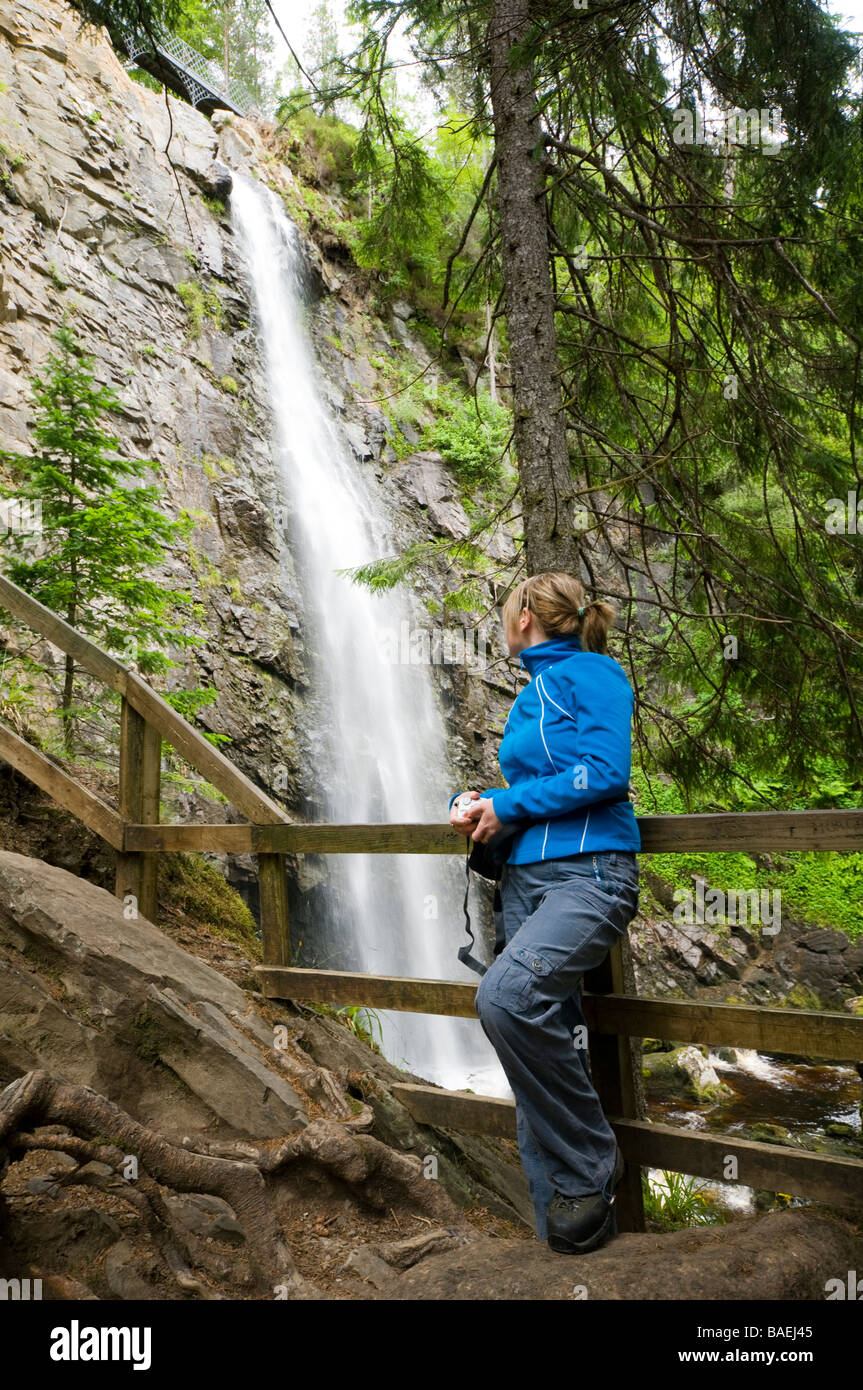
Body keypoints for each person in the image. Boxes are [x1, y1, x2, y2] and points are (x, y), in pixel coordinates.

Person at [449, 571, 640, 1254]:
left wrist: (509, 806)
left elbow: (603, 772)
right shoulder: (533, 691)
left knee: (506, 1001)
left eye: (505, 610)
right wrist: (479, 803)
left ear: (525, 615)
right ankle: (564, 1250)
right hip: (527, 883)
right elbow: (538, 789)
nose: (502, 620)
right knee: (536, 1052)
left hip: (588, 876)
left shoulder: (593, 674)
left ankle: (594, 1164)